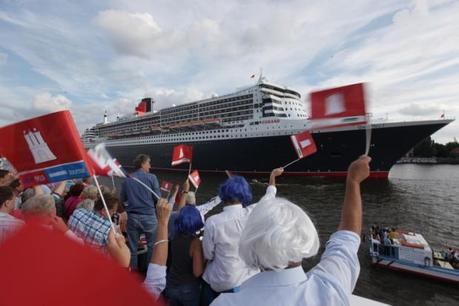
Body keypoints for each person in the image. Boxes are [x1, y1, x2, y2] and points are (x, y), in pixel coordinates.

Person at [211, 155, 371, 306]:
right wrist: (353, 181)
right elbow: (346, 239)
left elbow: (346, 238)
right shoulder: (329, 288)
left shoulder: (226, 303)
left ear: (251, 244)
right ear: (305, 237)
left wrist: (353, 182)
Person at [201, 168, 284, 305]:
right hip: (248, 281)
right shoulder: (253, 213)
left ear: (223, 195)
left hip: (221, 283)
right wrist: (272, 176)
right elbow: (270, 197)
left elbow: (208, 255)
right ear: (245, 194)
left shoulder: (213, 222)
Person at [120, 154, 160, 271]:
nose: (150, 166)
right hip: (149, 217)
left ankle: (134, 274)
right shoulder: (152, 178)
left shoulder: (128, 179)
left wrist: (131, 206)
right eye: (148, 163)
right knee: (151, 247)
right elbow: (157, 198)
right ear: (143, 164)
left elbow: (122, 200)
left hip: (132, 217)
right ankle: (148, 272)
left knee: (133, 248)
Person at [165, 205, 205, 306]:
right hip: (188, 289)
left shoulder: (174, 237)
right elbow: (197, 272)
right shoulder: (195, 243)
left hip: (171, 284)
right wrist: (206, 260)